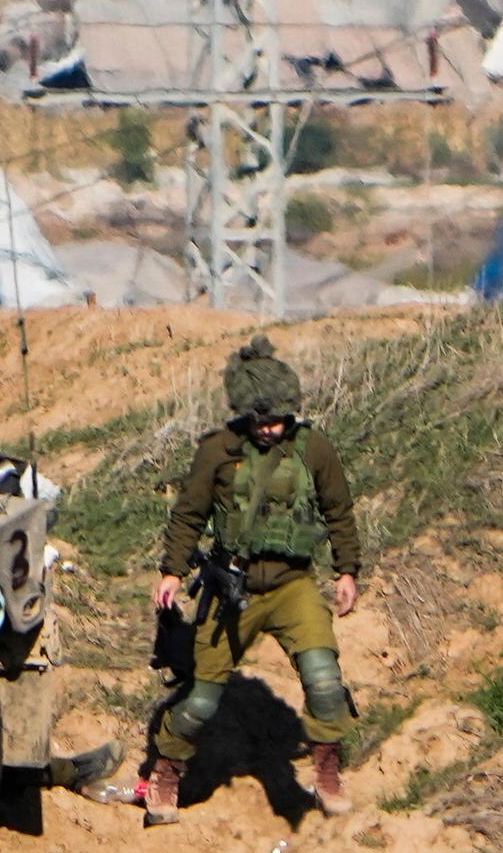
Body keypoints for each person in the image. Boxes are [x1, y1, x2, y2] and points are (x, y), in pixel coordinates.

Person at [123, 336, 363, 825]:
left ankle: (327, 771)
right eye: (262, 421)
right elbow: (188, 515)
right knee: (201, 700)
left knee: (323, 677)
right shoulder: (219, 450)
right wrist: (172, 570)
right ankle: (166, 772)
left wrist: (346, 570)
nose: (271, 429)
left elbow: (339, 511)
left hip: (293, 585)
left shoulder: (312, 448)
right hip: (233, 589)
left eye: (279, 419)